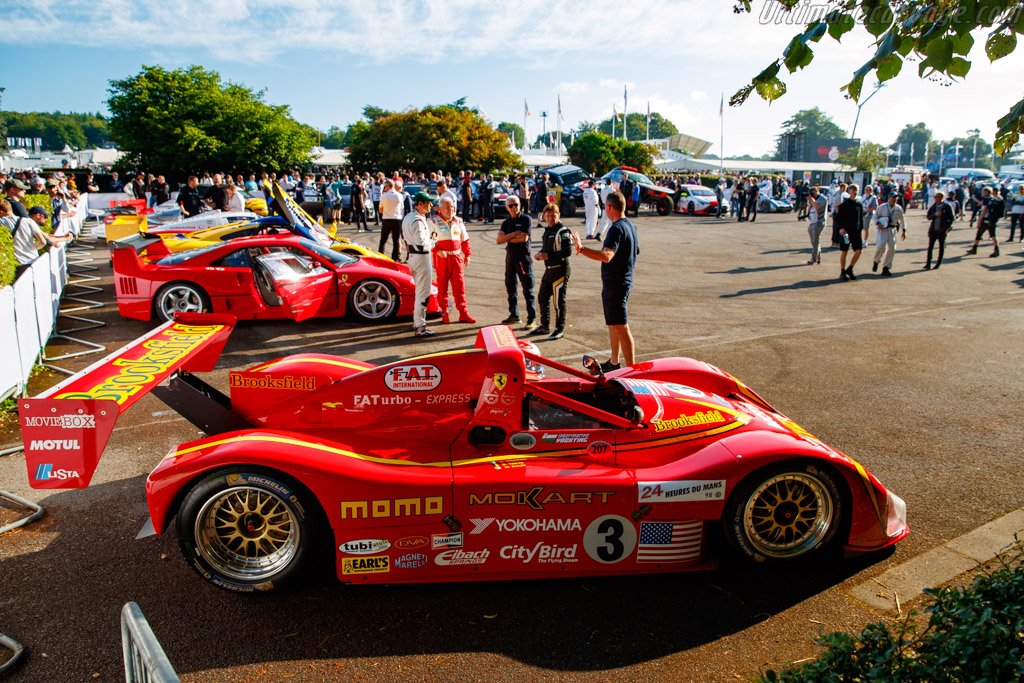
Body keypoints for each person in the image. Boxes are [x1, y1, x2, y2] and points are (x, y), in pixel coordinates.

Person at [571, 191, 639, 372]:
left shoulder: (616, 229)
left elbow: (607, 256)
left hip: (616, 285)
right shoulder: (631, 226)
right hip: (623, 282)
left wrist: (582, 248)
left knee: (622, 327)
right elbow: (635, 251)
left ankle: (632, 372)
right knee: (614, 324)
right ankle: (614, 363)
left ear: (608, 207)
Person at [531, 203, 573, 340]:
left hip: (560, 269)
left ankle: (559, 328)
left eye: (553, 215)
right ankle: (545, 326)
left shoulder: (563, 231)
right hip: (549, 270)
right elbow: (547, 249)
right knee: (542, 297)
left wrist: (547, 256)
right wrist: (540, 254)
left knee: (558, 301)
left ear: (558, 215)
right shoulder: (547, 230)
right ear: (544, 216)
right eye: (548, 215)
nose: (550, 218)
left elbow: (567, 251)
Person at [431, 195, 475, 324]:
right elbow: (428, 240)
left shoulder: (459, 221)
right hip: (442, 259)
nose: (450, 210)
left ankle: (463, 313)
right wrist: (437, 250)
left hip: (456, 257)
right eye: (446, 208)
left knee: (459, 286)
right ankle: (444, 312)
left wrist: (467, 254)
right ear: (439, 209)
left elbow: (465, 239)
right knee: (442, 286)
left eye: (452, 207)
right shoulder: (433, 221)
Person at [495, 196, 537, 329]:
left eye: (516, 204)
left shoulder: (526, 219)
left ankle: (532, 319)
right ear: (507, 207)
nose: (514, 207)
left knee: (527, 289)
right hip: (510, 258)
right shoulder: (506, 223)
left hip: (523, 258)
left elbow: (524, 238)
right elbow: (499, 240)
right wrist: (513, 234)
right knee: (510, 286)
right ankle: (514, 314)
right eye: (511, 205)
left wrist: (507, 237)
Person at [2, 204, 71, 280]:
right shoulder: (28, 221)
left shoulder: (2, 222)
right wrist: (32, 249)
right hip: (34, 259)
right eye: (45, 217)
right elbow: (43, 241)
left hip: (19, 263)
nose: (46, 219)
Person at [402, 191, 436, 337]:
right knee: (423, 293)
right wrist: (434, 241)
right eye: (428, 203)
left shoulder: (409, 217)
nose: (431, 205)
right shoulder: (418, 220)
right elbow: (422, 244)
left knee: (419, 291)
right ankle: (420, 326)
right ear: (420, 204)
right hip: (421, 257)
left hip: (413, 257)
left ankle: (417, 322)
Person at [835, 183, 864, 281]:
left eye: (856, 190)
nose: (855, 192)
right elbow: (838, 218)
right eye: (853, 190)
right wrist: (841, 228)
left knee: (859, 250)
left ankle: (850, 268)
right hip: (845, 232)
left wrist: (860, 230)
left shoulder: (859, 204)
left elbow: (861, 219)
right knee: (845, 251)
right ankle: (843, 271)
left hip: (855, 232)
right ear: (849, 191)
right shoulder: (844, 204)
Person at [871, 193, 905, 276]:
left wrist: (904, 230)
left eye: (896, 198)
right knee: (880, 246)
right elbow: (874, 217)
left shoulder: (898, 208)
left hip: (892, 229)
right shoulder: (882, 207)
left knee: (892, 248)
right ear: (889, 198)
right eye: (893, 197)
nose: (895, 199)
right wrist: (877, 224)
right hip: (883, 229)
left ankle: (886, 267)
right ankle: (876, 261)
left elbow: (902, 219)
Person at [966, 186, 1003, 258]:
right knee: (992, 235)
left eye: (983, 192)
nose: (981, 193)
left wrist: (979, 220)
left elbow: (984, 210)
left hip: (986, 219)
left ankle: (975, 248)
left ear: (986, 192)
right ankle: (996, 250)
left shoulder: (986, 200)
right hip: (992, 219)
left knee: (980, 234)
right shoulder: (993, 199)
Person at [924, 191, 954, 270]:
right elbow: (928, 216)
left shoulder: (947, 206)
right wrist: (935, 215)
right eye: (934, 197)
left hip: (942, 230)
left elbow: (951, 218)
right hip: (933, 230)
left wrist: (946, 228)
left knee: (941, 247)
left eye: (936, 197)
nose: (935, 198)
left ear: (941, 197)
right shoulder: (934, 206)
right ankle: (928, 263)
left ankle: (938, 263)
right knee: (930, 247)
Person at [806, 186, 827, 265]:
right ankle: (818, 256)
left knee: (815, 241)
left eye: (813, 192)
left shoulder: (822, 199)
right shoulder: (812, 199)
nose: (812, 194)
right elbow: (809, 209)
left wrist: (811, 200)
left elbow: (817, 207)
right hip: (812, 222)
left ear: (817, 191)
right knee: (814, 241)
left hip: (819, 222)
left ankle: (814, 259)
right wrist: (810, 202)